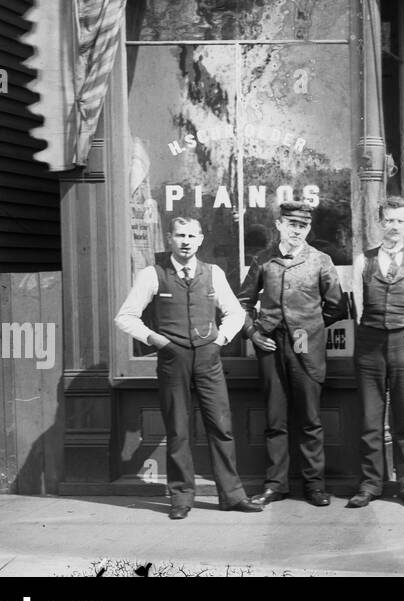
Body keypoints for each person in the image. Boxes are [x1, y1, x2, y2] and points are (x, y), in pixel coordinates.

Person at [114, 217, 263, 519]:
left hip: (209, 358)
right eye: (180, 235)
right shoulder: (152, 275)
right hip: (173, 359)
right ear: (169, 238)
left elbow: (234, 312)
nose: (185, 241)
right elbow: (125, 317)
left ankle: (232, 495)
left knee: (221, 426)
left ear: (201, 239)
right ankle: (181, 497)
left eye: (191, 236)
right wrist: (158, 341)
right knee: (178, 430)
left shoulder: (213, 273)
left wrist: (220, 340)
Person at [239, 201, 348, 507]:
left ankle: (314, 485)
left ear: (308, 229)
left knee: (310, 419)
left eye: (302, 226)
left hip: (306, 347)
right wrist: (254, 334)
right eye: (291, 224)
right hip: (270, 346)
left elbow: (337, 307)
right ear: (279, 226)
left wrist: (309, 328)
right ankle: (276, 485)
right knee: (275, 419)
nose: (296, 230)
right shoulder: (264, 259)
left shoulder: (320, 260)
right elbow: (242, 302)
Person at [347, 196, 404, 510]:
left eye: (400, 221)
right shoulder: (364, 260)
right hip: (370, 346)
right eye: (389, 220)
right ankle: (370, 484)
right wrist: (370, 332)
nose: (394, 227)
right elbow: (357, 305)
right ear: (380, 223)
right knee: (370, 421)